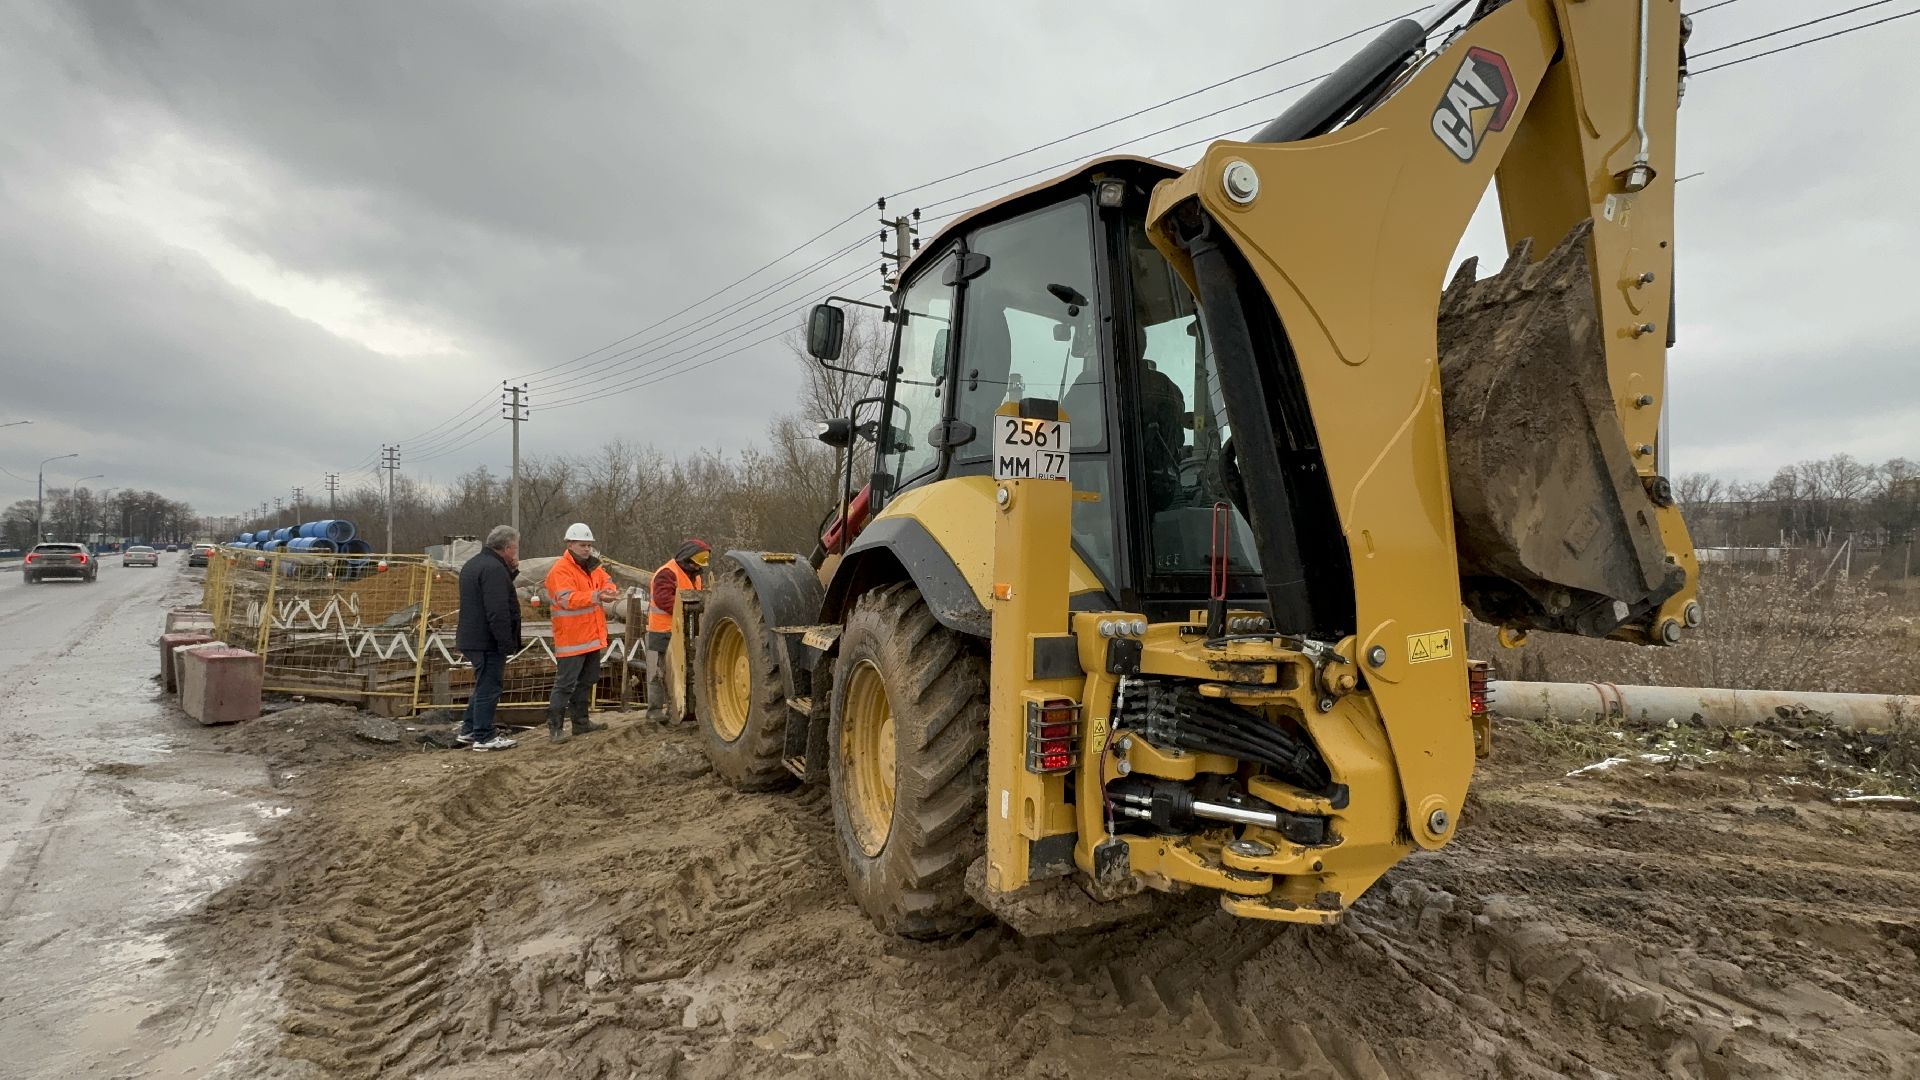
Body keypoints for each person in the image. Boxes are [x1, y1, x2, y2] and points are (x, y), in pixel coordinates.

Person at [544, 522, 618, 743]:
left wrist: (609, 592)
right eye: (582, 545)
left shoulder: (593, 567)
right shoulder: (560, 570)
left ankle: (581, 723)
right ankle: (555, 728)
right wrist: (597, 596)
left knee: (587, 681)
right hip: (572, 639)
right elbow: (567, 599)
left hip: (591, 637)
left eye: (588, 545)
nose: (587, 549)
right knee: (565, 684)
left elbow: (607, 583)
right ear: (570, 545)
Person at [454, 525, 523, 752]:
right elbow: (497, 610)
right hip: (487, 640)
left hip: (472, 637)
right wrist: (506, 642)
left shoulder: (475, 564)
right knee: (490, 687)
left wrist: (511, 573)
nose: (517, 552)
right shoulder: (493, 569)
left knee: (484, 683)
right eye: (515, 547)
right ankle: (484, 736)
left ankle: (469, 729)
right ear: (507, 547)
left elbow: (494, 592)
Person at [646, 538, 710, 719]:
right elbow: (663, 600)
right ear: (687, 558)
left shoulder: (695, 575)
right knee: (663, 672)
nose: (698, 567)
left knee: (687, 671)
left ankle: (683, 708)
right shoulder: (667, 573)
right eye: (696, 562)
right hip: (664, 630)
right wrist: (688, 606)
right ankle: (655, 711)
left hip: (684, 631)